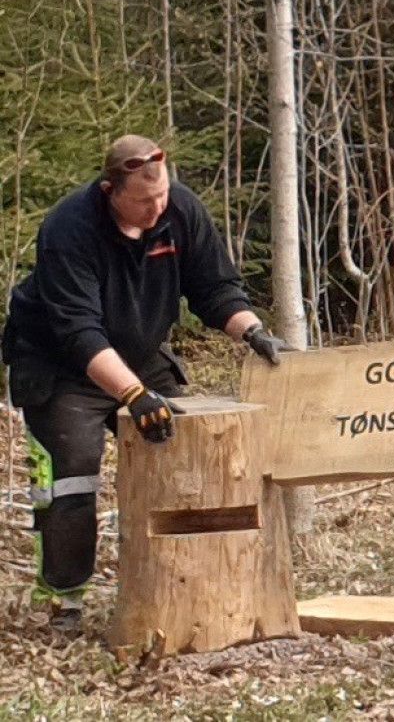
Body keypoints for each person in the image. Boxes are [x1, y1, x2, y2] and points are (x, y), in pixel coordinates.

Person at [1, 135, 291, 632]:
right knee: (72, 471)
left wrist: (253, 331)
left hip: (137, 353)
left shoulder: (179, 210)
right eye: (144, 201)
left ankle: (188, 585)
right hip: (61, 365)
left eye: (162, 197)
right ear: (111, 190)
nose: (158, 209)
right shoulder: (70, 228)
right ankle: (64, 598)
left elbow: (214, 287)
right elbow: (78, 332)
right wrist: (133, 395)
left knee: (187, 448)